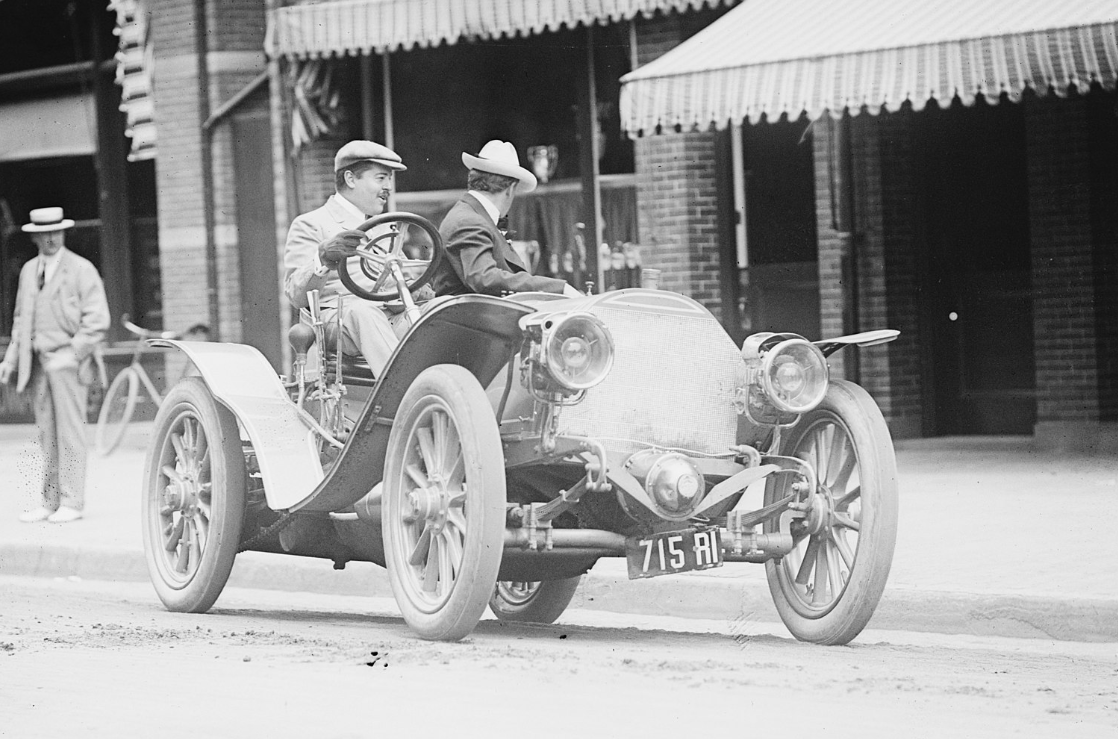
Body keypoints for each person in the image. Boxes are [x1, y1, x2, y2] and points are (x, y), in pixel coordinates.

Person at [0, 207, 110, 523]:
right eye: (44, 233)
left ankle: (72, 502)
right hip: (37, 365)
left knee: (71, 434)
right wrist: (10, 359)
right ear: (34, 237)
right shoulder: (28, 271)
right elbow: (21, 320)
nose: (51, 238)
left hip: (68, 364)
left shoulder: (81, 269)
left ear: (63, 233)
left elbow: (98, 319)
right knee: (47, 434)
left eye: (56, 232)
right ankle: (50, 502)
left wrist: (72, 353)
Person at [283, 140, 410, 376]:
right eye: (381, 178)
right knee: (364, 311)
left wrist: (416, 288)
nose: (388, 187)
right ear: (350, 179)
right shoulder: (311, 224)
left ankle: (451, 387)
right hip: (340, 323)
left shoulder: (385, 227)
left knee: (441, 309)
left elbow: (406, 279)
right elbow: (295, 295)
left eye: (389, 179)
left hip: (390, 317)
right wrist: (323, 259)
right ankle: (404, 390)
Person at [432, 140, 582, 298]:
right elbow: (485, 279)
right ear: (510, 189)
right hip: (474, 314)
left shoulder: (469, 215)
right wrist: (559, 288)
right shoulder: (469, 220)